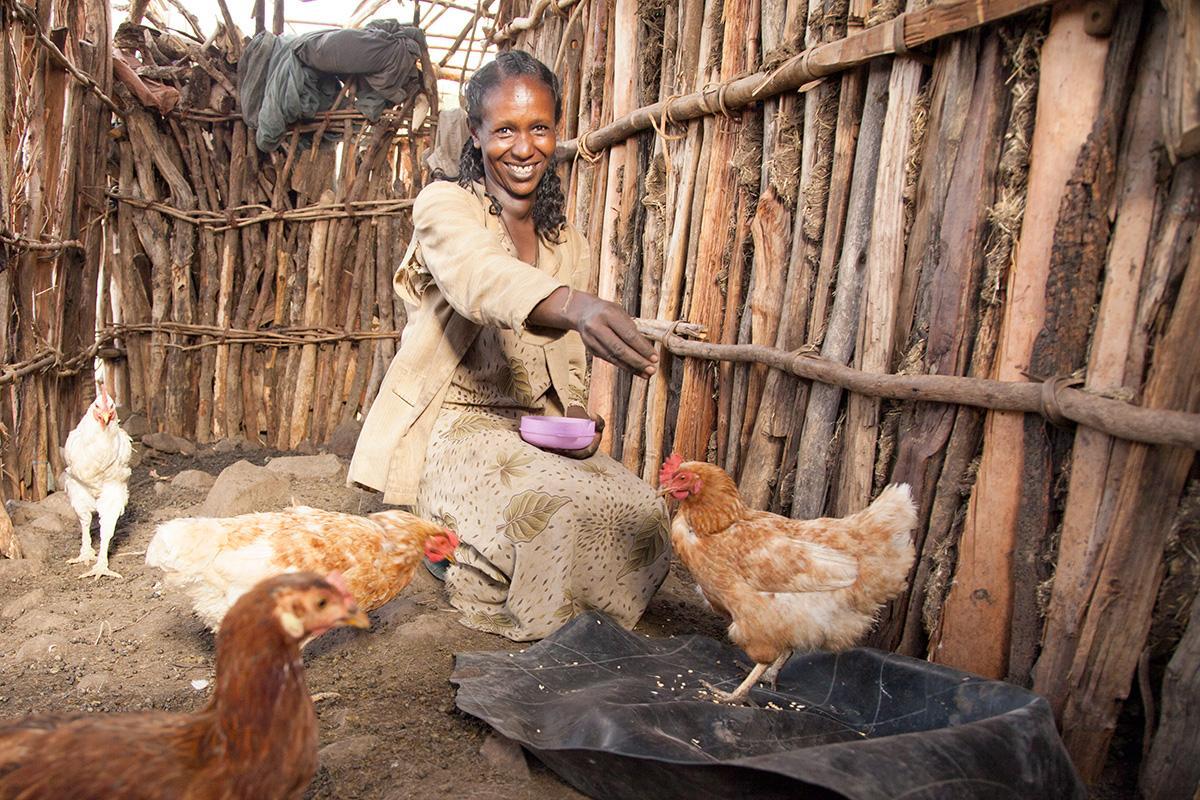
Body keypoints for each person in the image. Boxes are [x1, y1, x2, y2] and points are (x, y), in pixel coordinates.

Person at [349, 50, 671, 641]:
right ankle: (469, 570)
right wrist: (576, 304)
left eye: (540, 128)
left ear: (557, 130)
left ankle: (579, 618)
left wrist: (576, 416)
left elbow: (568, 362)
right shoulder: (444, 207)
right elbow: (479, 279)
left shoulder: (560, 235)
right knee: (551, 511)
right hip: (451, 424)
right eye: (504, 130)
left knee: (644, 513)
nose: (524, 148)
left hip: (530, 427)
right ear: (476, 134)